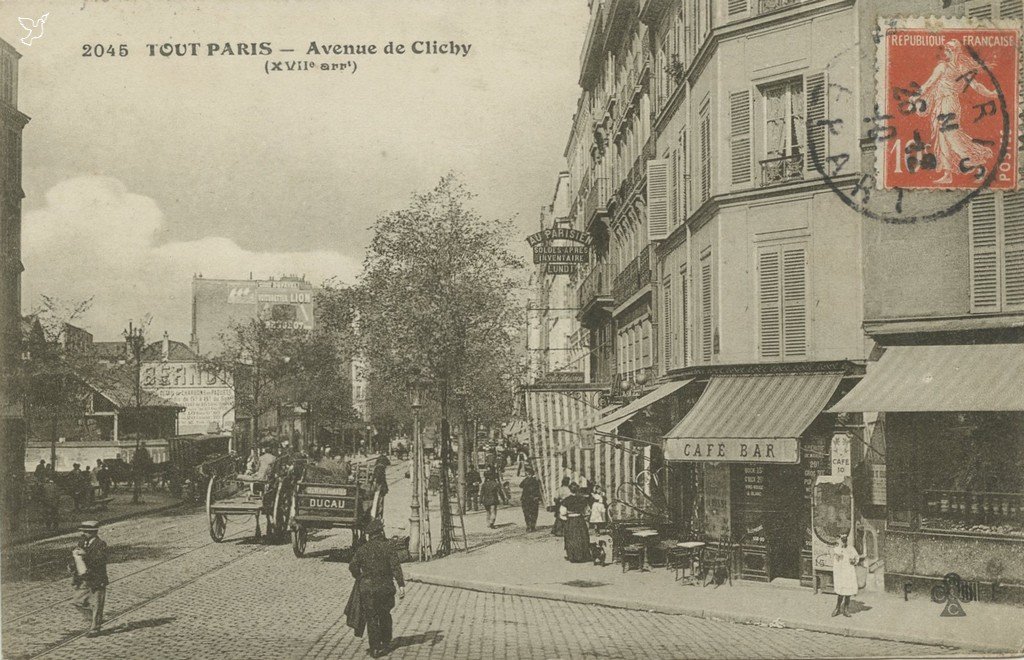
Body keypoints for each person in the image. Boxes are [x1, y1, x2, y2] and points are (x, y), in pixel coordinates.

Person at [914, 39, 999, 185]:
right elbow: (930, 83)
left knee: (950, 135)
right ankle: (948, 173)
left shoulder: (953, 68)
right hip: (941, 104)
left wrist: (992, 94)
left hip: (949, 104)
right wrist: (991, 94)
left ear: (953, 52)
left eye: (947, 50)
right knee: (942, 138)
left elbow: (975, 86)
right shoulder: (950, 67)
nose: (945, 53)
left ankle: (970, 158)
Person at [348, 519, 406, 658]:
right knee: (385, 613)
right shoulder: (388, 547)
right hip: (385, 587)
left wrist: (360, 577)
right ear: (381, 532)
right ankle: (386, 641)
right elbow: (395, 567)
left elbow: (353, 566)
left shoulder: (363, 549)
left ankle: (374, 648)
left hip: (368, 589)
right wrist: (401, 585)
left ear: (370, 535)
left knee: (371, 617)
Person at [69, 520, 108, 636]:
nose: (82, 534)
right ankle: (95, 620)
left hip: (97, 578)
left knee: (97, 604)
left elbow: (100, 560)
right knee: (77, 601)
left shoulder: (101, 544)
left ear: (92, 532)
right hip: (84, 578)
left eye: (85, 532)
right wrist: (72, 565)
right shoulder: (82, 542)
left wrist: (86, 555)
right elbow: (76, 558)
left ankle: (95, 628)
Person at [831, 533, 861, 617]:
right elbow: (837, 557)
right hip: (841, 572)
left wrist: (854, 561)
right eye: (842, 540)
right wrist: (840, 549)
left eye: (845, 540)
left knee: (848, 592)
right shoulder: (837, 549)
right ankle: (837, 608)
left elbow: (856, 557)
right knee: (840, 592)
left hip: (849, 572)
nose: (844, 542)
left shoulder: (851, 548)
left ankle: (846, 609)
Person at [560, 483, 592, 563]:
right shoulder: (582, 499)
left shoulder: (566, 500)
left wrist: (567, 515)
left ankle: (572, 556)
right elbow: (588, 511)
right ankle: (583, 556)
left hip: (571, 520)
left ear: (570, 489)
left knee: (571, 537)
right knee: (582, 536)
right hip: (580, 519)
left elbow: (563, 512)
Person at [372, 454, 390, 519]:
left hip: (378, 486)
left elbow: (374, 477)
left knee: (378, 501)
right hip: (379, 487)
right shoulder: (381, 468)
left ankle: (378, 515)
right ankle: (378, 516)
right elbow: (380, 478)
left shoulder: (377, 467)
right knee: (379, 501)